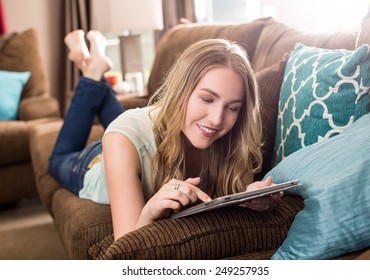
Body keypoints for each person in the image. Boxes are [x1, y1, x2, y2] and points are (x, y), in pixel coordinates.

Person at [50, 30, 283, 241]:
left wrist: (250, 199)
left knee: (130, 124)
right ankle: (91, 73)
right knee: (57, 159)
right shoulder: (122, 137)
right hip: (92, 164)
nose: (216, 119)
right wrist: (149, 211)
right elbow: (126, 248)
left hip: (149, 133)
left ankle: (90, 66)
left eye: (232, 107)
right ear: (181, 91)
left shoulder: (232, 135)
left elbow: (232, 195)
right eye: (207, 99)